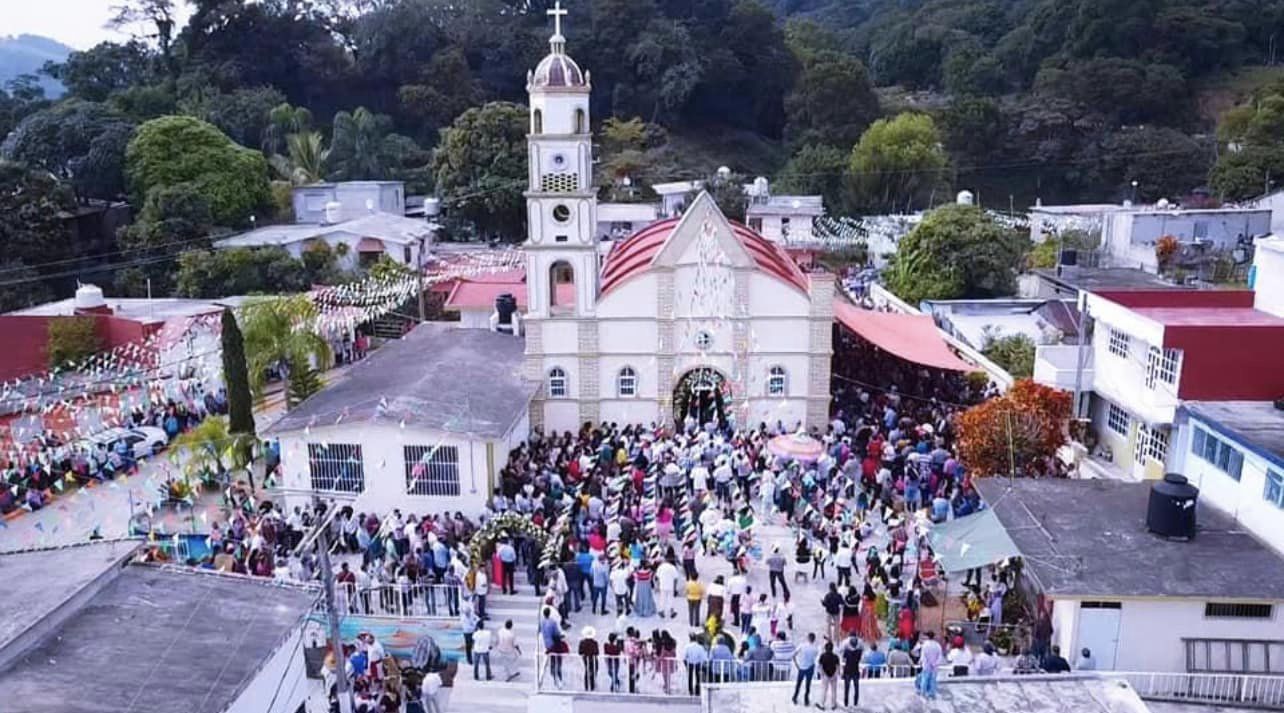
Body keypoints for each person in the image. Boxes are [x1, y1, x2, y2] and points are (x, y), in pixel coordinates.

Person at [792, 632, 819, 707]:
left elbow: (794, 655)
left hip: (801, 667)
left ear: (808, 638)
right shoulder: (815, 649)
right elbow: (815, 658)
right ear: (814, 639)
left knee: (798, 683)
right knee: (808, 684)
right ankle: (806, 699)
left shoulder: (802, 645)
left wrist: (797, 665)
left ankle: (795, 697)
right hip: (810, 667)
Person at [916, 631, 942, 700]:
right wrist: (935, 663)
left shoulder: (925, 645)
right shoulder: (937, 645)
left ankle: (923, 692)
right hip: (934, 666)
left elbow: (923, 656)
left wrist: (923, 662)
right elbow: (940, 656)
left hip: (926, 665)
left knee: (925, 679)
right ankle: (932, 693)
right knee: (933, 680)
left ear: (927, 637)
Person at [839, 632, 862, 707]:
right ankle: (855, 702)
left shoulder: (846, 651)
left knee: (847, 688)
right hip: (855, 670)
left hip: (847, 671)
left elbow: (843, 659)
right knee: (856, 688)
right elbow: (860, 659)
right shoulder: (859, 652)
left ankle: (846, 702)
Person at [818, 641, 841, 711]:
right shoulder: (835, 656)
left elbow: (820, 666)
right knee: (834, 691)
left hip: (825, 676)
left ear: (825, 648)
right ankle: (833, 705)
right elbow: (838, 666)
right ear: (832, 648)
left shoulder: (822, 656)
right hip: (833, 676)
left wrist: (822, 674)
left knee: (824, 690)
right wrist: (835, 674)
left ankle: (822, 704)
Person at [579, 626, 600, 691]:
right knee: (593, 671)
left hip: (585, 659)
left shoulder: (582, 642)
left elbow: (580, 652)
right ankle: (592, 685)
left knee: (587, 671)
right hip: (593, 659)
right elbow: (597, 652)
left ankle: (586, 686)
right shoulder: (594, 643)